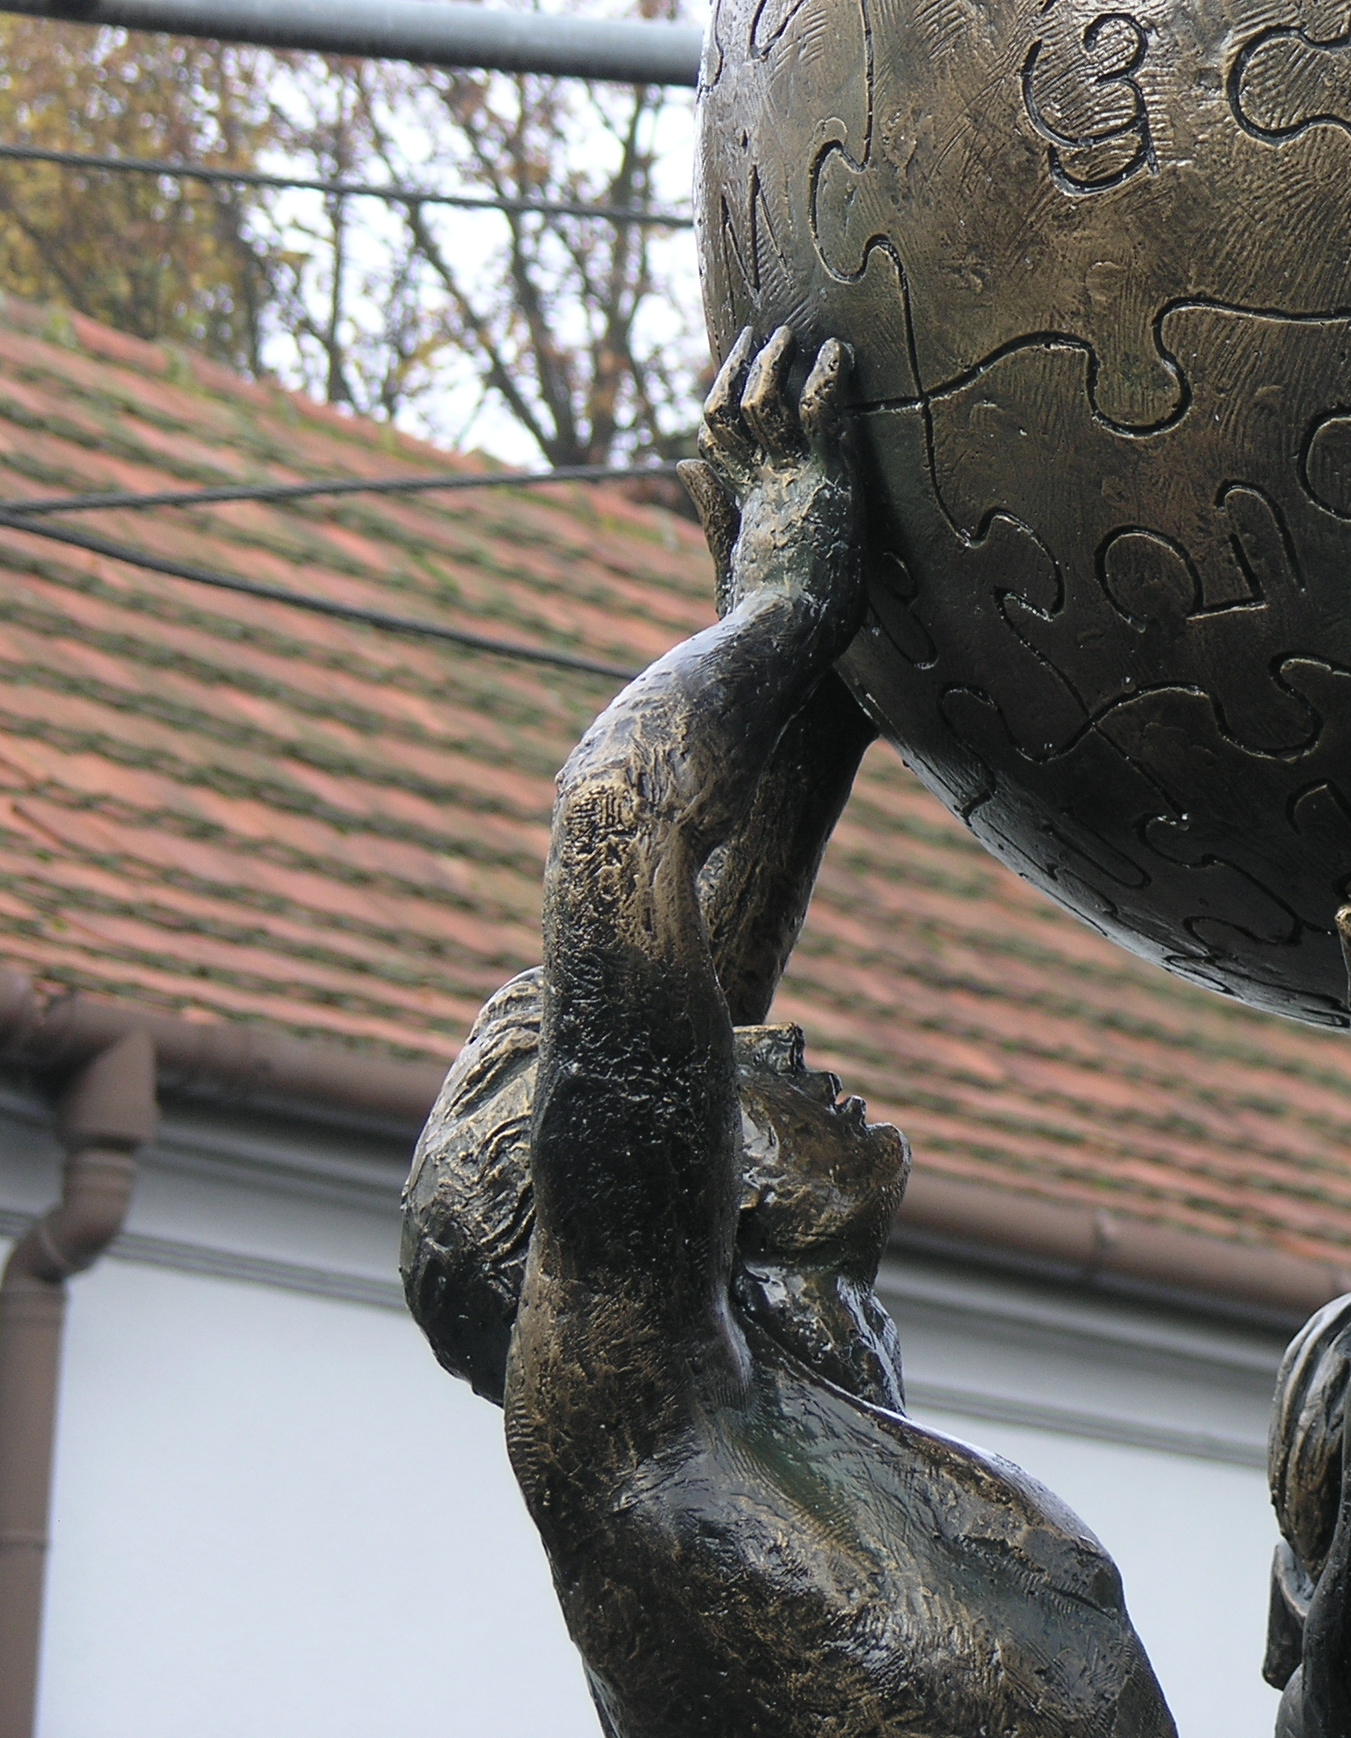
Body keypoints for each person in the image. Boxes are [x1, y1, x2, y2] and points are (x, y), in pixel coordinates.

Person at [401, 327, 1175, 1738]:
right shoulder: (641, 1459)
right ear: (635, 1196)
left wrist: (816, 636)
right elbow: (616, 825)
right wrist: (777, 614)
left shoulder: (795, 1433)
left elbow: (701, 948)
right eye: (712, 1062)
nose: (770, 1044)